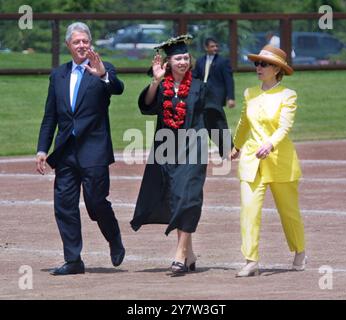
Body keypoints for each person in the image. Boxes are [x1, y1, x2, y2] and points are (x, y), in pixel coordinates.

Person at [130, 35, 232, 275]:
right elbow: (146, 107)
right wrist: (155, 82)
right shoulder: (163, 86)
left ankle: (178, 256)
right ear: (168, 62)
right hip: (167, 150)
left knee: (188, 197)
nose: (183, 61)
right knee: (177, 198)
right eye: (178, 58)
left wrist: (226, 147)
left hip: (194, 149)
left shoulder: (200, 87)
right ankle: (190, 253)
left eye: (186, 57)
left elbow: (214, 117)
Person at [36, 22, 125, 275]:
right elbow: (49, 116)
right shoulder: (58, 75)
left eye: (85, 41)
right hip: (65, 152)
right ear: (68, 46)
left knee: (96, 203)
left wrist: (103, 75)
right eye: (77, 42)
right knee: (64, 205)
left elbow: (118, 89)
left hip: (94, 149)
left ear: (91, 43)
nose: (82, 45)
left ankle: (114, 237)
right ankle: (73, 260)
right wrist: (42, 149)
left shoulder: (103, 68)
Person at [230, 44, 307, 277]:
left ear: (277, 69)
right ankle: (251, 260)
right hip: (252, 162)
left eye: (264, 64)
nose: (258, 67)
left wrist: (270, 143)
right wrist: (237, 145)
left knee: (289, 213)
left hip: (280, 161)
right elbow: (245, 123)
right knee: (249, 211)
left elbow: (284, 126)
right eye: (257, 63)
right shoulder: (249, 93)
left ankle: (299, 251)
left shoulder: (288, 95)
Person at [193, 37, 235, 109]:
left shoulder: (223, 61)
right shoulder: (200, 61)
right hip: (202, 94)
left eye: (216, 46)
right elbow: (194, 77)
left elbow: (229, 80)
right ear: (206, 48)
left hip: (216, 95)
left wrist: (231, 98)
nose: (215, 48)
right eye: (212, 46)